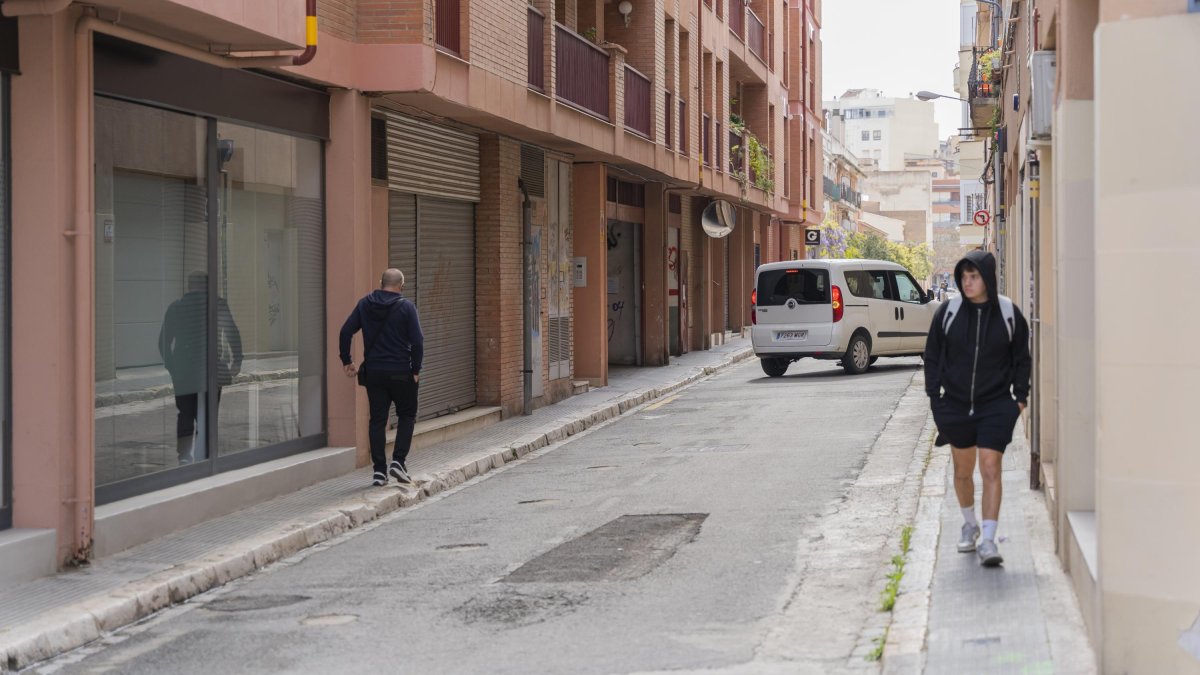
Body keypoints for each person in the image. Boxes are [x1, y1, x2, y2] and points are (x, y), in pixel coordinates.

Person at [923, 250, 1031, 567]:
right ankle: (969, 524)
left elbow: (1022, 358)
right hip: (956, 405)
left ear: (988, 279)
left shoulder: (1008, 313)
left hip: (996, 405)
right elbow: (932, 356)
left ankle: (988, 540)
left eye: (974, 277)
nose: (967, 283)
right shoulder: (949, 312)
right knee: (962, 472)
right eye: (964, 277)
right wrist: (935, 400)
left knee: (991, 467)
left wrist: (1019, 399)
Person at [339, 269, 424, 487]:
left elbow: (346, 331)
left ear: (380, 283)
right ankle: (398, 462)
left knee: (377, 420)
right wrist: (415, 370)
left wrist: (347, 361)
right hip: (401, 372)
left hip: (374, 373)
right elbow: (417, 341)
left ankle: (379, 471)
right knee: (407, 415)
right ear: (401, 285)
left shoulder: (365, 304)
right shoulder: (407, 307)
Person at [159, 272, 242, 465]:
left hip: (184, 371)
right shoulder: (218, 305)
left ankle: (184, 457)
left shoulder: (176, 308)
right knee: (208, 415)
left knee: (185, 414)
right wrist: (236, 361)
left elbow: (163, 342)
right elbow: (232, 333)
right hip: (211, 369)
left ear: (189, 286)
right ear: (206, 286)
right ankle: (205, 456)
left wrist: (173, 367)